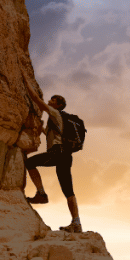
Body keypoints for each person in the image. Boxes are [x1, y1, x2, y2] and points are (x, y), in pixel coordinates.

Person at [22, 74, 82, 233]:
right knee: (68, 190)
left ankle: (41, 194)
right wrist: (38, 125)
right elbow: (48, 133)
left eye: (53, 99)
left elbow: (37, 100)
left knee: (29, 163)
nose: (50, 100)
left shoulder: (55, 113)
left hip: (58, 153)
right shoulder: (56, 120)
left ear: (58, 105)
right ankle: (76, 223)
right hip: (65, 156)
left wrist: (25, 80)